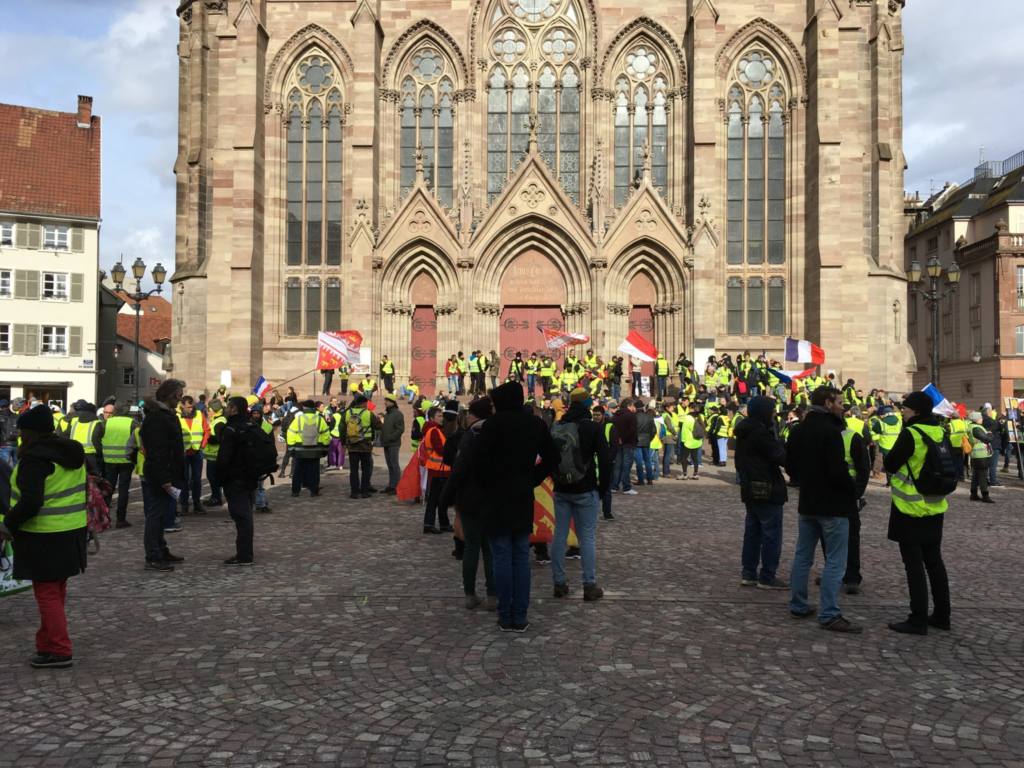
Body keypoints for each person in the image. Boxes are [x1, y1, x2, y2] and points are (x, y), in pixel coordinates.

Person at [0, 404, 87, 668]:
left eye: (22, 431)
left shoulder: (35, 460)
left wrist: (9, 525)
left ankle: (59, 649)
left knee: (47, 594)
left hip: (43, 534)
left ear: (31, 433)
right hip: (71, 530)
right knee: (56, 591)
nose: (19, 436)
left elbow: (31, 501)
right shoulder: (71, 453)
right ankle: (47, 644)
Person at [475, 382, 558, 632]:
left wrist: (487, 483)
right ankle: (520, 615)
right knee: (521, 555)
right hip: (522, 496)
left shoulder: (493, 425)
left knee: (501, 555)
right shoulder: (535, 424)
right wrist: (532, 477)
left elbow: (479, 463)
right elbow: (553, 457)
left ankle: (505, 614)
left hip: (497, 497)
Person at [785, 386, 862, 633]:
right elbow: (837, 470)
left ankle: (798, 604)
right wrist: (852, 491)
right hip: (834, 504)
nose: (843, 406)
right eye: (839, 401)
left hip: (808, 502)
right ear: (828, 403)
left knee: (803, 556)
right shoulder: (831, 431)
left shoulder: (798, 430)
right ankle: (829, 613)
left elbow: (790, 465)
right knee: (836, 562)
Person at [883, 391, 952, 635]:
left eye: (907, 409)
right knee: (934, 561)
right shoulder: (941, 431)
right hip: (935, 505)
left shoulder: (911, 433)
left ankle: (918, 618)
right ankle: (943, 615)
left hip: (909, 507)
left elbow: (890, 463)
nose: (903, 412)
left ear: (917, 411)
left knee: (913, 565)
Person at [550, 388, 611, 602]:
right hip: (585, 489)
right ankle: (589, 584)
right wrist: (602, 489)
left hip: (561, 489)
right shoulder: (592, 428)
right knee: (587, 537)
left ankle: (559, 582)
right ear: (586, 405)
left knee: (559, 535)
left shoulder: (558, 426)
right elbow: (605, 460)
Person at [440, 397, 497, 609]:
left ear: (474, 415)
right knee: (489, 548)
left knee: (472, 546)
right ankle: (493, 595)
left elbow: (458, 469)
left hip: (469, 498)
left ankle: (470, 594)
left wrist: (446, 498)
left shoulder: (469, 435)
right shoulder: (497, 434)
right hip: (491, 498)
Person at [735, 396, 788, 590]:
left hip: (750, 487)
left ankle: (748, 573)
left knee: (753, 532)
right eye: (772, 411)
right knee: (771, 535)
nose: (774, 414)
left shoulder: (744, 431)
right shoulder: (761, 433)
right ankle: (767, 576)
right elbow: (780, 456)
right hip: (767, 487)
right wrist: (782, 443)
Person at [140, 379, 187, 572]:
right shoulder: (158, 418)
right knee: (156, 516)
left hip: (167, 472)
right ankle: (153, 555)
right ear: (172, 395)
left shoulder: (165, 415)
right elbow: (158, 451)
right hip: (160, 475)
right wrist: (165, 479)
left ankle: (161, 549)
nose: (181, 398)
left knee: (161, 514)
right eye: (180, 394)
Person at [216, 396, 259, 565]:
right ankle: (245, 553)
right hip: (250, 477)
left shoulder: (231, 428)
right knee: (245, 516)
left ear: (234, 409)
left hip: (235, 478)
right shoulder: (251, 425)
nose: (226, 409)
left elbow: (224, 457)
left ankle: (244, 555)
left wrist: (220, 478)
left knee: (242, 517)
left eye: (228, 406)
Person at [99, 402, 137, 528]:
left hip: (109, 459)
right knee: (123, 490)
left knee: (108, 489)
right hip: (126, 460)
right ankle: (121, 519)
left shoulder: (107, 422)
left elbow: (99, 437)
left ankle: (104, 518)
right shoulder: (132, 423)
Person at [422, 403, 457, 532]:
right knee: (435, 499)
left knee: (441, 499)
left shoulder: (437, 430)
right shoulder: (434, 431)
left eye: (442, 415)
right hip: (438, 469)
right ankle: (429, 524)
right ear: (431, 418)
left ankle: (443, 523)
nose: (442, 417)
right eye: (439, 415)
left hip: (441, 469)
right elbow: (441, 449)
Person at [286, 400, 330, 497]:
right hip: (315, 450)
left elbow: (291, 432)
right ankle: (314, 491)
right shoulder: (319, 419)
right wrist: (325, 447)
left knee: (298, 471)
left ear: (304, 408)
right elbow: (326, 434)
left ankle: (295, 491)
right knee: (314, 471)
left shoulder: (299, 419)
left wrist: (291, 447)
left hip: (300, 450)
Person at [343, 394, 381, 499]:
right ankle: (364, 491)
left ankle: (354, 492)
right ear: (364, 403)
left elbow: (342, 428)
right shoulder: (368, 414)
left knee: (354, 470)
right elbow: (378, 426)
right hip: (365, 446)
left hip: (352, 445)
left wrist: (343, 443)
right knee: (365, 469)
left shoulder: (347, 413)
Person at [178, 396, 209, 516]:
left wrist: (203, 445)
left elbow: (207, 430)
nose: (191, 409)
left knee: (196, 480)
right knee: (184, 480)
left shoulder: (199, 414)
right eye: (188, 407)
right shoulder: (177, 416)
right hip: (183, 453)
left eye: (192, 407)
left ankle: (197, 504)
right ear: (182, 406)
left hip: (197, 452)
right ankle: (184, 505)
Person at [202, 399, 227, 508]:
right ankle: (215, 497)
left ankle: (216, 498)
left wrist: (208, 438)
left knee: (213, 478)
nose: (208, 411)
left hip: (215, 455)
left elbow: (219, 438)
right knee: (213, 478)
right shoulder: (218, 419)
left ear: (213, 410)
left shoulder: (219, 421)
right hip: (214, 455)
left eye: (209, 409)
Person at [966, 411, 995, 503]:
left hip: (976, 455)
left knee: (976, 475)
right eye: (980, 418)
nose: (982, 419)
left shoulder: (973, 427)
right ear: (976, 419)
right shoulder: (976, 428)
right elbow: (987, 439)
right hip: (981, 455)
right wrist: (990, 434)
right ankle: (985, 495)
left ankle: (973, 494)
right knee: (983, 475)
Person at [610, 399, 637, 494]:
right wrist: (623, 438)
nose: (634, 408)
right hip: (628, 443)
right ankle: (626, 487)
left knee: (617, 465)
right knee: (626, 466)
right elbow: (632, 430)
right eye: (633, 406)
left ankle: (614, 486)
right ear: (629, 406)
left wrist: (618, 439)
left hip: (617, 443)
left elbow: (612, 429)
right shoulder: (631, 416)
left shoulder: (615, 416)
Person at [380, 393, 405, 494]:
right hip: (386, 443)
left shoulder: (398, 414)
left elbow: (400, 429)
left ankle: (396, 486)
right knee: (390, 465)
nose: (385, 402)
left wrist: (391, 437)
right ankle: (391, 485)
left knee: (394, 465)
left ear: (392, 402)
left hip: (393, 443)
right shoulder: (387, 414)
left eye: (387, 400)